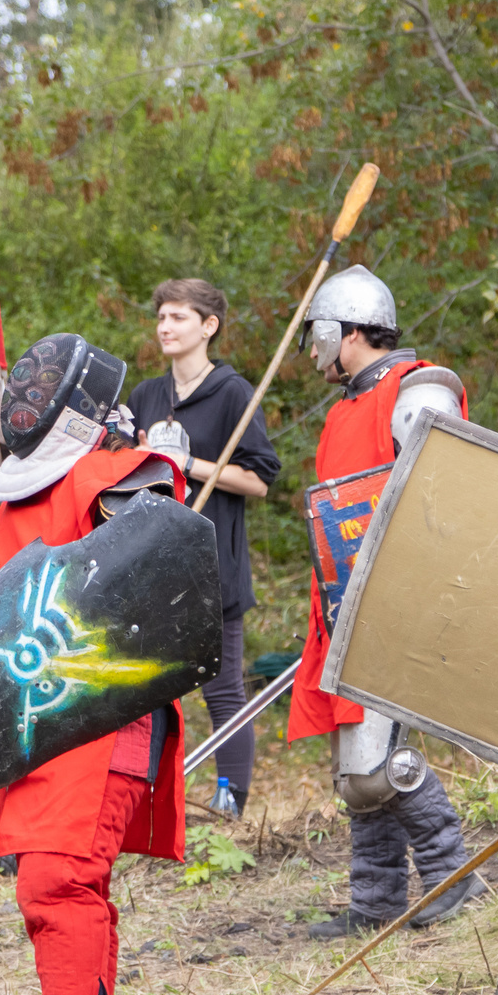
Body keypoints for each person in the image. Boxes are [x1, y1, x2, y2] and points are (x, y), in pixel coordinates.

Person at [0, 332, 193, 995]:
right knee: (64, 883)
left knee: (58, 880)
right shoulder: (20, 498)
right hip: (45, 716)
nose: (25, 402)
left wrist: (145, 464)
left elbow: (152, 576)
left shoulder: (115, 476)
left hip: (104, 714)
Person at [283, 266, 479, 938]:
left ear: (350, 330)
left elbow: (447, 493)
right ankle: (375, 902)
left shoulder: (415, 389)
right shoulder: (345, 409)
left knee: (374, 766)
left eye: (320, 332)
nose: (314, 348)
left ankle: (452, 872)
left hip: (398, 597)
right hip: (347, 602)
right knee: (354, 770)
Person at [126, 278, 280, 818]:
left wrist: (187, 463)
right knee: (142, 690)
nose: (165, 327)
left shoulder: (233, 393)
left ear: (209, 326)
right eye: (161, 317)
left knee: (222, 689)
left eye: (179, 317)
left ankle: (229, 801)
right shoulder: (146, 396)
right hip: (151, 563)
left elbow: (259, 480)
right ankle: (139, 803)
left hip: (213, 567)